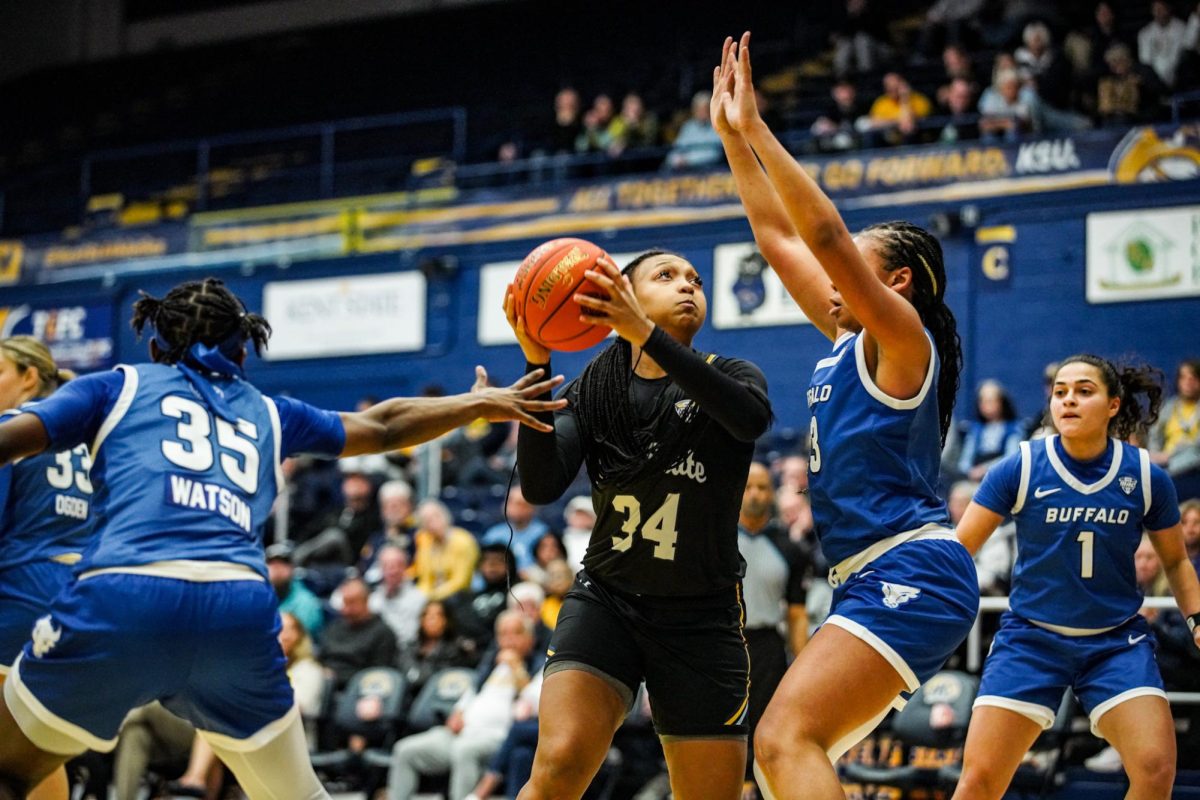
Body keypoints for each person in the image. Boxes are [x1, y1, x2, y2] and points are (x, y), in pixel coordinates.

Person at [0, 277, 566, 800]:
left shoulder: (116, 386)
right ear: (243, 352)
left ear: (154, 348)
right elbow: (386, 425)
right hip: (238, 610)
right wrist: (478, 402)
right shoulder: (270, 412)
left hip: (126, 595)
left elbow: (10, 437)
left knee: (10, 768)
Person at [713, 33, 978, 799]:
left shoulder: (904, 341)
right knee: (787, 758)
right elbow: (776, 235)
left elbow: (823, 235)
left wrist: (760, 127)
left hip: (912, 569)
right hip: (867, 577)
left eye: (854, 266)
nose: (831, 272)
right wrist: (733, 142)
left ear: (892, 280)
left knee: (784, 738)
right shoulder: (846, 341)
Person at [505, 237, 772, 799]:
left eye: (695, 280)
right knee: (557, 766)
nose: (688, 286)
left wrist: (646, 334)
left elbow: (749, 421)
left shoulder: (732, 374)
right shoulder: (595, 388)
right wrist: (536, 361)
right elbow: (540, 484)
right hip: (609, 601)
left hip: (702, 616)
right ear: (623, 294)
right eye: (668, 275)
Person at [951, 355, 1200, 800]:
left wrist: (1198, 619)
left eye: (1084, 391)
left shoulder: (1145, 477)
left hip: (1114, 642)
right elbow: (957, 551)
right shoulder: (1020, 466)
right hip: (1031, 639)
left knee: (1156, 769)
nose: (1068, 400)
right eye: (1061, 391)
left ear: (1112, 405)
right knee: (978, 782)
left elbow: (1178, 563)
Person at [0, 338, 88, 800]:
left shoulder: (10, 431)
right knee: (30, 749)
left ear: (29, 377)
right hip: (75, 601)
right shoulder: (85, 439)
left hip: (17, 593)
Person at [388, 610, 541, 800]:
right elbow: (468, 696)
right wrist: (457, 714)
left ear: (531, 638)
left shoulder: (539, 666)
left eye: (516, 633)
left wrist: (516, 668)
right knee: (405, 750)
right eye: (502, 634)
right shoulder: (491, 665)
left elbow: (534, 704)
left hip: (495, 739)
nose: (508, 640)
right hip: (461, 733)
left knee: (464, 751)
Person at [737, 462, 810, 796]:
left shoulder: (789, 548)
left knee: (766, 732)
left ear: (773, 493)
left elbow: (796, 614)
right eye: (749, 486)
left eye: (763, 487)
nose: (755, 494)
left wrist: (803, 666)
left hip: (767, 647)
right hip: (720, 642)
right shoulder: (715, 539)